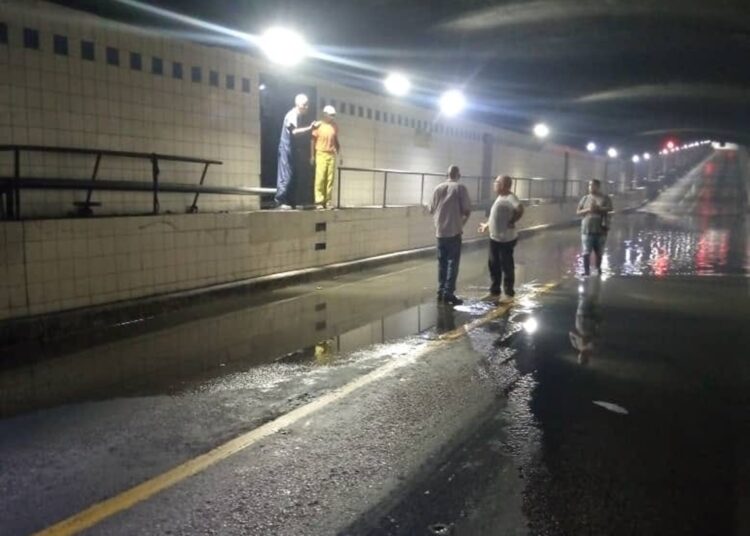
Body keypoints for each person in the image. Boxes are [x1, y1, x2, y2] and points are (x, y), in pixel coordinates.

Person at [429, 165, 472, 305]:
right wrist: (461, 225)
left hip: (440, 233)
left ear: (446, 174)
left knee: (442, 263)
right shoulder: (460, 188)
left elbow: (431, 209)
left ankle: (441, 291)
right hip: (454, 232)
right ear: (458, 175)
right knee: (452, 263)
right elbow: (467, 210)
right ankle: (448, 293)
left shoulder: (437, 188)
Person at [478, 175, 524, 299]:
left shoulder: (510, 198)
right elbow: (495, 216)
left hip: (506, 239)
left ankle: (509, 290)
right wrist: (486, 225)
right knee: (493, 264)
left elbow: (520, 209)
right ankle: (495, 289)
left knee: (506, 265)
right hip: (495, 238)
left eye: (496, 182)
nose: (494, 184)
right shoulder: (500, 197)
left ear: (503, 185)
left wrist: (512, 221)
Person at [275, 94, 318, 210]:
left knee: (292, 174)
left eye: (307, 104)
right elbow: (294, 132)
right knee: (285, 174)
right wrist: (309, 128)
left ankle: (290, 201)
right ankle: (280, 201)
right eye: (305, 104)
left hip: (291, 148)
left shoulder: (297, 116)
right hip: (286, 147)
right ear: (298, 104)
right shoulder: (292, 115)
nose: (307, 107)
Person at [577, 179, 613, 276]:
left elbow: (610, 209)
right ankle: (586, 271)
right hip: (586, 230)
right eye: (589, 185)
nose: (590, 187)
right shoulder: (585, 198)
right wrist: (589, 209)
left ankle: (598, 269)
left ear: (598, 186)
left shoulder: (605, 198)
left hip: (600, 230)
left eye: (592, 185)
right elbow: (578, 212)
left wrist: (598, 208)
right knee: (586, 251)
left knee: (599, 251)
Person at [310, 105, 341, 210]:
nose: (332, 117)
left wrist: (340, 154)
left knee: (330, 179)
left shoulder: (334, 126)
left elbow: (336, 141)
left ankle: (328, 201)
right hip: (321, 153)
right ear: (325, 114)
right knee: (320, 178)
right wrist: (312, 155)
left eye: (333, 115)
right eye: (331, 115)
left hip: (331, 154)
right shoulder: (318, 125)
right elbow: (312, 140)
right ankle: (319, 201)